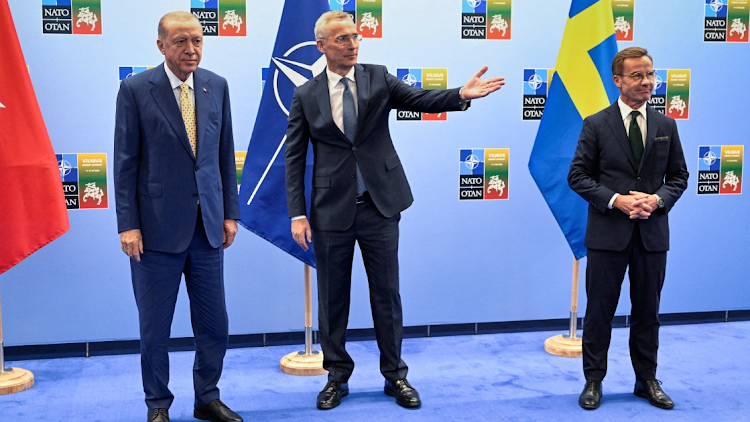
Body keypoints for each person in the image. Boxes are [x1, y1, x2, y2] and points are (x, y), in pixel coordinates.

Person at [285, 10, 505, 410]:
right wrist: (297, 213)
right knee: (332, 298)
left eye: (355, 37)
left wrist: (459, 95)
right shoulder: (305, 95)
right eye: (342, 39)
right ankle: (337, 376)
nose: (352, 44)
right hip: (330, 211)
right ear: (321, 46)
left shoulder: (378, 76)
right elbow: (294, 158)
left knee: (386, 294)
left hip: (379, 206)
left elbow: (419, 99)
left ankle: (395, 376)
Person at [114, 11, 242, 422]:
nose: (192, 49)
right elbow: (124, 163)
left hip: (207, 231)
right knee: (155, 329)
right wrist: (128, 224)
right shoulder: (135, 89)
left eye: (198, 41)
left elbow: (224, 156)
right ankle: (157, 405)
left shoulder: (215, 86)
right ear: (161, 46)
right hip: (154, 233)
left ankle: (207, 397)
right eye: (181, 42)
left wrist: (229, 214)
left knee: (214, 324)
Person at [568, 46, 688, 411]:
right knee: (600, 309)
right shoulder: (596, 123)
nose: (647, 81)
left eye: (650, 74)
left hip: (651, 235)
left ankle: (646, 380)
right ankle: (593, 380)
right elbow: (577, 176)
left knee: (648, 311)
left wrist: (657, 200)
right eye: (637, 75)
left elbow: (679, 176)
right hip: (607, 234)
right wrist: (616, 199)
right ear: (617, 80)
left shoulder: (666, 125)